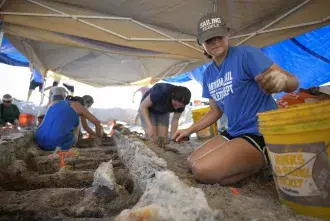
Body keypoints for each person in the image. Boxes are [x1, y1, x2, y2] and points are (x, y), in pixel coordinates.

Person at [172, 12, 299, 185]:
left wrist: (282, 80)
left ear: (228, 33)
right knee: (191, 163)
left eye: (218, 35)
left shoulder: (246, 54)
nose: (215, 41)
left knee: (202, 171)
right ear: (202, 44)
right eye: (209, 39)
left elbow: (293, 82)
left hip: (260, 132)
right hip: (234, 131)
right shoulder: (208, 74)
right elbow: (215, 110)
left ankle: (265, 160)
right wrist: (189, 130)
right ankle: (248, 167)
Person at [35, 95, 102, 151]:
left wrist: (95, 135)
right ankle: (73, 146)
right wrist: (99, 136)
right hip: (55, 143)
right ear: (83, 105)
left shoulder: (56, 102)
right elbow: (97, 122)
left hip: (39, 139)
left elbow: (85, 127)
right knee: (76, 125)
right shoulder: (79, 107)